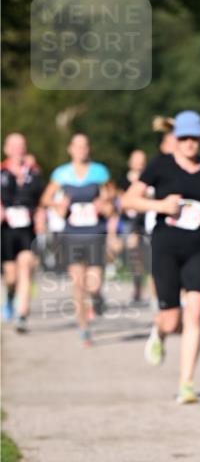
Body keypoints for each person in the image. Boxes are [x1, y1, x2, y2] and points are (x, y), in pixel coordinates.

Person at [121, 110, 200, 404]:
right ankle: (159, 331)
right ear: (176, 138)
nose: (190, 143)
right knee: (171, 321)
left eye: (195, 138)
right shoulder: (160, 165)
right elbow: (128, 200)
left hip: (199, 246)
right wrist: (161, 206)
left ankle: (186, 385)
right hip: (166, 245)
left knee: (195, 313)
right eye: (184, 137)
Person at [41, 133, 113, 346]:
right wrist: (58, 205)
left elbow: (111, 198)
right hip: (72, 234)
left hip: (95, 232)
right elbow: (45, 198)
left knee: (94, 282)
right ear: (70, 149)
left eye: (84, 146)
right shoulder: (61, 173)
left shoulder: (100, 171)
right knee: (78, 284)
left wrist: (104, 205)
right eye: (77, 146)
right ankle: (84, 328)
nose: (81, 150)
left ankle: (97, 296)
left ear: (88, 149)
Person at [1, 133, 45, 332]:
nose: (18, 149)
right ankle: (10, 297)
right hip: (6, 230)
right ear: (6, 149)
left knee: (26, 267)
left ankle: (22, 315)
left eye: (21, 145)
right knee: (11, 277)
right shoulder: (1, 172)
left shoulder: (33, 174)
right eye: (14, 145)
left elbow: (42, 200)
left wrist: (41, 215)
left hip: (27, 230)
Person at [111, 149, 148, 305]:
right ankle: (137, 286)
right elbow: (118, 205)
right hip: (129, 222)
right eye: (136, 160)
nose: (139, 163)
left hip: (146, 221)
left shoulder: (149, 178)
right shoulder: (123, 181)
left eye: (142, 160)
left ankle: (148, 288)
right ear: (130, 162)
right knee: (134, 252)